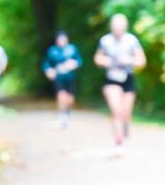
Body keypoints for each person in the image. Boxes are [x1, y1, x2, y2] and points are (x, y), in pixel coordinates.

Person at [94, 13, 146, 146]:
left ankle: (125, 126)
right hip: (111, 78)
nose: (117, 30)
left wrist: (129, 60)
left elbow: (142, 61)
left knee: (125, 112)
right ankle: (119, 140)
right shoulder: (105, 40)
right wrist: (104, 61)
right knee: (116, 110)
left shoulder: (131, 40)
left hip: (128, 77)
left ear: (125, 27)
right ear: (111, 27)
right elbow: (97, 58)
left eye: (120, 27)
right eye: (115, 27)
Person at [42, 30, 82, 129]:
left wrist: (75, 64)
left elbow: (79, 60)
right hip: (59, 77)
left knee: (70, 99)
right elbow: (46, 63)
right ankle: (62, 116)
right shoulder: (52, 51)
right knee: (61, 96)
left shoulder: (72, 49)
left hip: (70, 77)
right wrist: (48, 70)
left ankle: (67, 112)